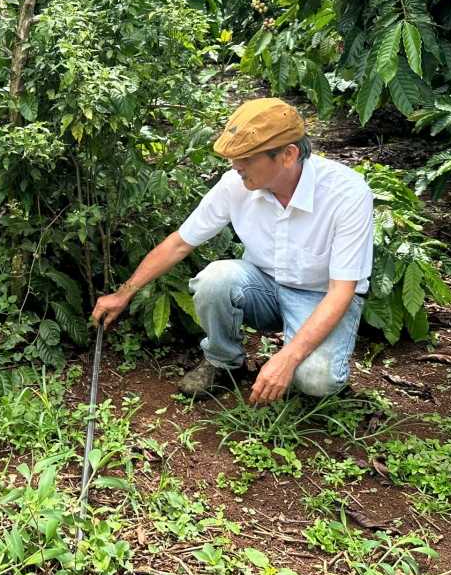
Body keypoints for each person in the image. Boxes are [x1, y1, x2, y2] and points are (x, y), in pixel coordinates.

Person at [91, 98, 373, 404]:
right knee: (215, 279)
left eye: (246, 158)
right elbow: (179, 243)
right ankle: (223, 363)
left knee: (316, 379)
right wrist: (124, 292)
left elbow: (342, 291)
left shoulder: (346, 194)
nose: (236, 167)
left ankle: (310, 371)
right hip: (262, 287)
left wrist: (287, 359)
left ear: (288, 155)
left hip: (321, 296)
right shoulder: (235, 184)